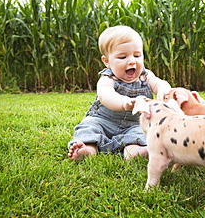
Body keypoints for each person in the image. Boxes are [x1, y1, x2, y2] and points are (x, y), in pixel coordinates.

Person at [68, 25, 171, 161]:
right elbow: (105, 95)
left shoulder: (145, 75)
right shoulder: (108, 78)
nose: (132, 61)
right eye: (122, 57)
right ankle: (87, 148)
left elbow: (159, 83)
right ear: (107, 61)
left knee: (140, 134)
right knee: (90, 126)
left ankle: (135, 151)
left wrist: (164, 90)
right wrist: (123, 102)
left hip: (135, 123)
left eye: (137, 55)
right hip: (104, 120)